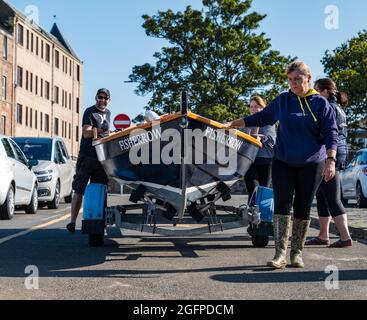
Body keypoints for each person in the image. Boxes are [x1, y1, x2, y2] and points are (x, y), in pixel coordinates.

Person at [225, 61, 338, 269]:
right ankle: (280, 254)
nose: (293, 83)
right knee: (282, 205)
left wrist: (331, 160)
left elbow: (332, 133)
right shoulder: (284, 100)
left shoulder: (321, 104)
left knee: (302, 206)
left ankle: (297, 253)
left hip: (312, 163)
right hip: (283, 161)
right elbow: (261, 116)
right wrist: (232, 123)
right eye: (290, 79)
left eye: (297, 79)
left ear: (308, 79)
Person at [305, 78, 352, 248]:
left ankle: (346, 237)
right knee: (322, 195)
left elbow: (323, 133)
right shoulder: (338, 107)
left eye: (316, 90)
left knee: (332, 196)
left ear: (324, 92)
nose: (313, 93)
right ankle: (323, 235)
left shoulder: (328, 107)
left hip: (329, 154)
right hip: (337, 153)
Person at [66, 88, 112, 233]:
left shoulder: (108, 114)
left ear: (109, 100)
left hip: (101, 159)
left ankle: (100, 225)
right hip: (87, 156)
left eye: (105, 98)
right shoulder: (89, 111)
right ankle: (72, 222)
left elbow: (106, 134)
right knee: (79, 188)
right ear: (95, 98)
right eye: (100, 97)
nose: (102, 100)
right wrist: (101, 132)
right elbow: (86, 132)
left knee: (101, 190)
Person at [243, 96, 276, 203]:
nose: (253, 109)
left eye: (256, 106)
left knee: (263, 191)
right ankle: (252, 217)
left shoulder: (269, 122)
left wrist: (260, 138)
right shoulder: (245, 122)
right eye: (251, 106)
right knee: (252, 189)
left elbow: (271, 140)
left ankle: (263, 218)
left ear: (263, 108)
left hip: (265, 160)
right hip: (249, 160)